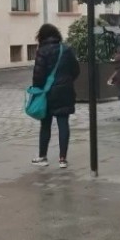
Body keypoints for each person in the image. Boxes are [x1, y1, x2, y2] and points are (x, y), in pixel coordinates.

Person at [31, 23, 80, 168]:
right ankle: (63, 159)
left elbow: (38, 76)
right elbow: (76, 70)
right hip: (65, 91)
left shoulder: (42, 51)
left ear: (42, 36)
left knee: (45, 125)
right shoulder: (66, 49)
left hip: (47, 93)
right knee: (63, 123)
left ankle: (42, 157)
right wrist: (67, 82)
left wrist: (37, 89)